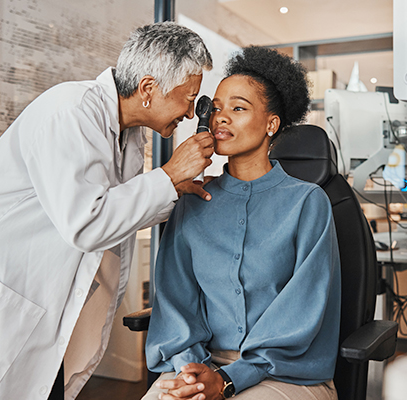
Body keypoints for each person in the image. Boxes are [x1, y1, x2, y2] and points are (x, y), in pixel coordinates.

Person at [0, 22, 214, 399]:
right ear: (148, 89)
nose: (192, 113)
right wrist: (169, 174)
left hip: (18, 283)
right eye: (187, 97)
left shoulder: (126, 133)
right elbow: (87, 223)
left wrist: (172, 189)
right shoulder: (72, 111)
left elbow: (115, 207)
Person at [142, 46, 341, 400]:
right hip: (201, 365)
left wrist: (229, 379)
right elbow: (176, 304)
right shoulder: (191, 202)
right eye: (216, 108)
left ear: (271, 124)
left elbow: (301, 315)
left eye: (238, 108)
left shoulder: (308, 203)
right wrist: (193, 374)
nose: (221, 118)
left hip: (285, 373)